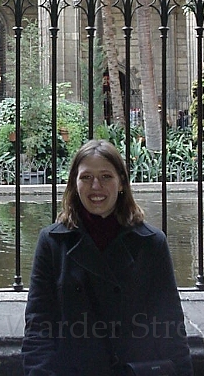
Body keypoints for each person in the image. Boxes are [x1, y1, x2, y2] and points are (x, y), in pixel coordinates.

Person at [22, 139, 193, 376]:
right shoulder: (52, 243)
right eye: (86, 177)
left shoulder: (152, 243)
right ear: (74, 183)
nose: (96, 186)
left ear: (121, 182)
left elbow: (170, 325)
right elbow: (38, 325)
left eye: (105, 177)